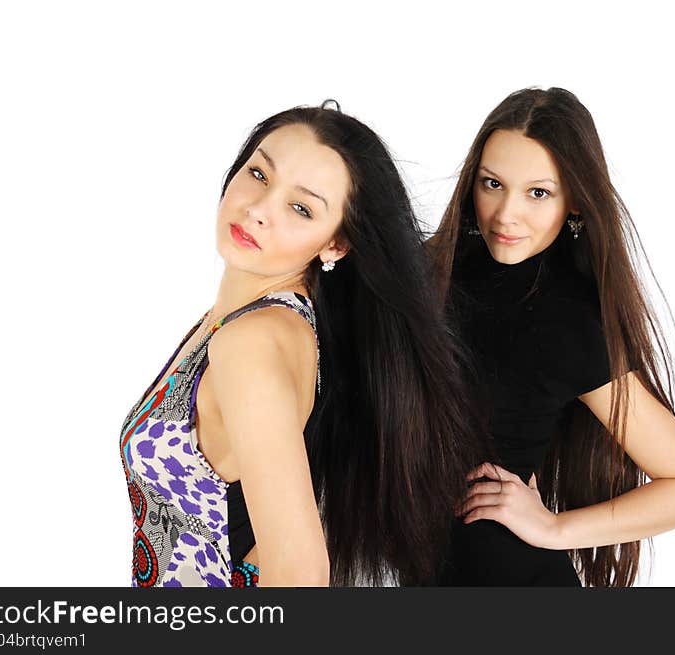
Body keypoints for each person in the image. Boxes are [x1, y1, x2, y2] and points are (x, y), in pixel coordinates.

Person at [119, 102, 483, 587]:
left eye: (301, 207)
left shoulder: (252, 343)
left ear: (336, 245)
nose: (258, 209)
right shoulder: (249, 323)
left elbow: (302, 576)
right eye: (259, 173)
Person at [428, 87, 675, 586]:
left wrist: (554, 527)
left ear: (577, 204)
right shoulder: (426, 275)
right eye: (492, 183)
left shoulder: (567, 322)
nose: (506, 214)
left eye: (537, 192)